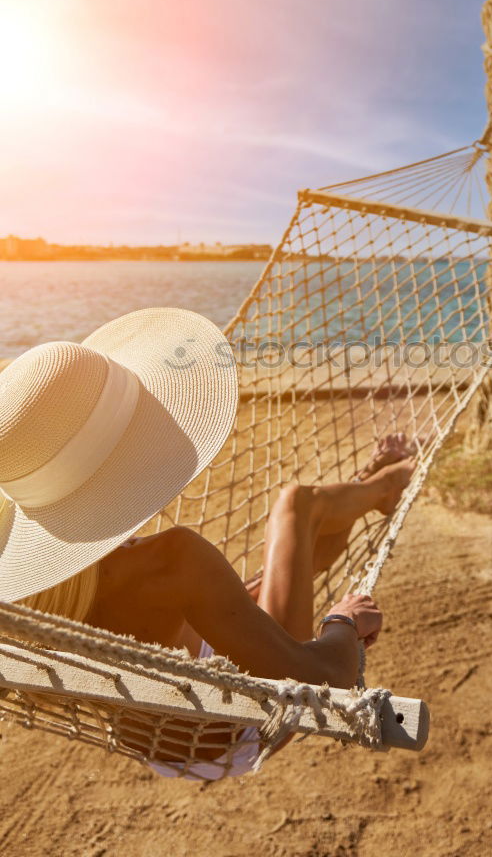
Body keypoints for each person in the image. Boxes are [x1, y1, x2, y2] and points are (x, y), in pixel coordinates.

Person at [0, 308, 414, 780]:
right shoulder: (174, 561)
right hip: (242, 728)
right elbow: (323, 680)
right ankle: (391, 483)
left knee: (272, 574)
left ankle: (365, 486)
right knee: (295, 507)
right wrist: (344, 622)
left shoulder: (33, 590)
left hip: (163, 741)